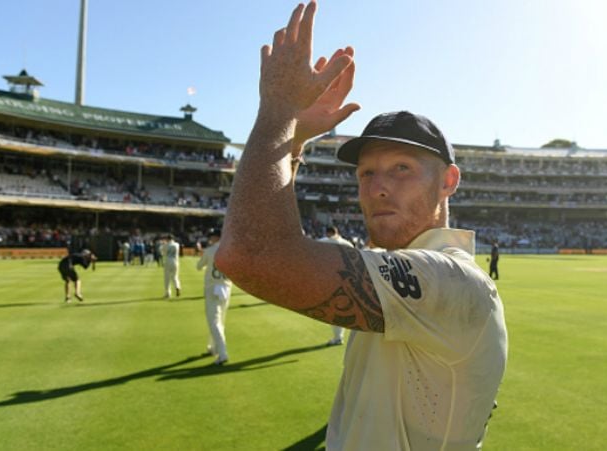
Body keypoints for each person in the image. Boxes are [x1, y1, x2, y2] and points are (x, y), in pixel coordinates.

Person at [215, 2, 508, 449]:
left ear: (448, 181)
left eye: (402, 169)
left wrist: (279, 110)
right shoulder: (399, 268)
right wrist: (294, 139)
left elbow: (251, 255)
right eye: (367, 173)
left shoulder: (451, 282)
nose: (378, 187)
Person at [196, 228, 232, 366]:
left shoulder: (210, 250)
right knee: (219, 320)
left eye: (211, 236)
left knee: (214, 321)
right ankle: (213, 347)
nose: (210, 239)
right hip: (226, 287)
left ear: (215, 237)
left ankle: (222, 353)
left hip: (213, 288)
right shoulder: (229, 250)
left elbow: (199, 266)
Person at [318, 225, 355, 346]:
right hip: (345, 280)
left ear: (328, 233)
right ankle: (340, 336)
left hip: (330, 280)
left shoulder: (322, 242)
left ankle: (338, 337)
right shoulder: (347, 243)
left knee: (334, 310)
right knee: (341, 309)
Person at [162, 233, 181, 299]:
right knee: (175, 276)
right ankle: (177, 287)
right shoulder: (177, 244)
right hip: (175, 261)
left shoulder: (166, 245)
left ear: (167, 239)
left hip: (168, 261)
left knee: (167, 278)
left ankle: (168, 293)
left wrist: (164, 245)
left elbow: (163, 253)